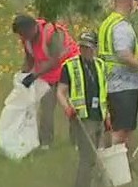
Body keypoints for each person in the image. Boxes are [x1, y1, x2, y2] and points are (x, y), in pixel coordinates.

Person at [97, 0, 138, 158]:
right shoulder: (121, 27)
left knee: (112, 127)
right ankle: (118, 167)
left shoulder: (107, 23)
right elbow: (124, 54)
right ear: (129, 2)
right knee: (122, 130)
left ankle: (108, 163)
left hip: (108, 83)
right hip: (124, 84)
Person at [12, 13, 80, 148]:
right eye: (20, 35)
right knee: (46, 108)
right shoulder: (26, 38)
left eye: (24, 34)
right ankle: (45, 143)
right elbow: (30, 59)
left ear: (32, 28)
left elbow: (55, 60)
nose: (22, 37)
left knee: (74, 106)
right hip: (48, 75)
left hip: (70, 69)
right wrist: (23, 75)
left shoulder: (51, 33)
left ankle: (77, 141)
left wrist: (35, 75)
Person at [56, 31, 110, 187]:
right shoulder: (70, 66)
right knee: (87, 157)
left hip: (98, 116)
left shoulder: (100, 65)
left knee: (99, 156)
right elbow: (60, 91)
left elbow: (104, 93)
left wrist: (107, 116)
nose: (85, 50)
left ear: (94, 48)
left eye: (88, 47)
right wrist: (67, 108)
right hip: (82, 118)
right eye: (82, 47)